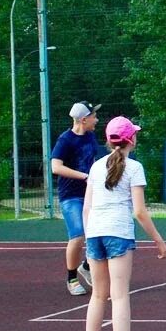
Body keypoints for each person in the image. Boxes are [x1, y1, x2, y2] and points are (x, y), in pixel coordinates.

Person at [81, 115, 166, 331]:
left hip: (95, 234)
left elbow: (87, 208)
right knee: (119, 297)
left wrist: (88, 238)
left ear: (109, 140)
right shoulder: (134, 168)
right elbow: (140, 211)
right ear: (131, 139)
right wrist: (158, 239)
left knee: (98, 296)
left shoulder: (96, 167)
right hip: (118, 234)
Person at [51, 100, 104, 295]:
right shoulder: (65, 140)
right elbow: (55, 167)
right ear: (83, 119)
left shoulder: (90, 137)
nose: (96, 120)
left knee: (97, 233)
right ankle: (72, 278)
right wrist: (85, 176)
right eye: (93, 116)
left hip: (91, 194)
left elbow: (94, 162)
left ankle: (88, 268)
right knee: (78, 234)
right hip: (71, 196)